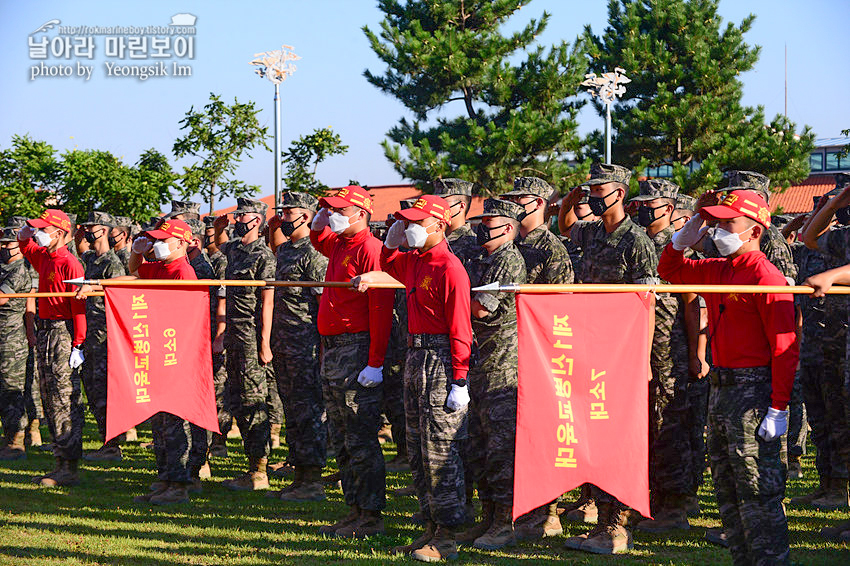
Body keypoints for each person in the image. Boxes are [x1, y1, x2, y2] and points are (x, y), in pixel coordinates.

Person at [659, 189, 798, 565]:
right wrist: (686, 234)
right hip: (721, 389)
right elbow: (670, 271)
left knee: (758, 490)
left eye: (727, 223)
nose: (717, 230)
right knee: (728, 488)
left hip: (753, 392)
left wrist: (779, 408)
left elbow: (785, 348)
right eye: (715, 222)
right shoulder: (720, 269)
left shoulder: (764, 277)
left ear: (754, 231)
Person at [356, 194, 473, 561]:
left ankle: (448, 537)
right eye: (406, 222)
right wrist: (392, 239)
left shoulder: (448, 267)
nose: (409, 228)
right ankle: (429, 528)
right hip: (416, 355)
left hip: (440, 359)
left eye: (416, 223)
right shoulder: (418, 261)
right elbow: (390, 264)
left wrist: (459, 379)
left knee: (442, 451)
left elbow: (460, 327)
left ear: (439, 224)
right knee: (419, 451)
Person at [559, 163, 658, 555]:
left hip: (621, 349)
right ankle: (600, 523)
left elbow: (646, 305)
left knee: (615, 437)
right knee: (593, 434)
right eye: (591, 192)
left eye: (600, 192)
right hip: (591, 344)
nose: (594, 198)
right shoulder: (592, 231)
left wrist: (643, 358)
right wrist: (572, 196)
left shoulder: (637, 241)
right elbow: (566, 223)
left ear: (620, 193)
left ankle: (616, 528)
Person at [310, 185, 395, 538]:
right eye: (330, 210)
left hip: (356, 348)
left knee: (360, 437)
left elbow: (381, 310)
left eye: (339, 210)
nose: (332, 216)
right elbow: (318, 239)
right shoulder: (341, 243)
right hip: (333, 348)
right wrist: (318, 216)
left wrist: (375, 361)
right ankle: (354, 509)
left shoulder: (370, 249)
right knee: (342, 437)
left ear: (360, 213)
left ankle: (371, 515)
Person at [501, 176, 573, 540]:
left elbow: (558, 309)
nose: (515, 203)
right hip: (506, 350)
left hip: (538, 353)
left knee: (539, 435)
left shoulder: (551, 249)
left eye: (522, 199)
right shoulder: (512, 244)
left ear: (541, 203)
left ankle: (545, 515)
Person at [456, 198, 527, 551]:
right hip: (481, 364)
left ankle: (505, 522)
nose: (483, 227)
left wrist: (451, 299)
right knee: (479, 445)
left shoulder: (507, 260)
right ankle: (487, 517)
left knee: (501, 448)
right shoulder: (483, 258)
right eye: (481, 222)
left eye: (491, 222)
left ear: (510, 228)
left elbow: (482, 309)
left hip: (503, 366)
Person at [124, 218, 199, 504]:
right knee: (162, 422)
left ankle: (179, 485)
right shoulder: (161, 267)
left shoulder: (183, 271)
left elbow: (185, 318)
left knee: (175, 421)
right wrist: (137, 251)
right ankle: (166, 478)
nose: (157, 244)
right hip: (160, 351)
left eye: (163, 240)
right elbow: (135, 270)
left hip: (176, 354)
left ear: (181, 243)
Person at [265, 192, 329, 502]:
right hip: (285, 343)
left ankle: (313, 479)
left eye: (288, 214)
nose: (282, 220)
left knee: (309, 411)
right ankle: (299, 473)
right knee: (292, 410)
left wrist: (321, 348)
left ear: (305, 216)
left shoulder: (314, 253)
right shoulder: (285, 251)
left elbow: (322, 302)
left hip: (306, 345)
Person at [17, 209, 87, 487]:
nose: (38, 234)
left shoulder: (71, 263)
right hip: (45, 329)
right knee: (48, 395)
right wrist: (24, 236)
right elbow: (28, 248)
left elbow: (79, 308)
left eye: (44, 230)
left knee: (63, 398)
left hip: (63, 330)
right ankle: (59, 460)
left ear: (59, 233)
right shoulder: (46, 257)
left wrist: (78, 343)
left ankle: (69, 466)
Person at [213, 198, 276, 491]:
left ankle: (259, 472)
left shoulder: (263, 256)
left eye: (244, 216)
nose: (238, 220)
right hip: (234, 334)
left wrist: (264, 342)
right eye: (237, 216)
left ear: (258, 220)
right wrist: (219, 225)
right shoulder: (234, 250)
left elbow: (268, 302)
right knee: (237, 398)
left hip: (252, 334)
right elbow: (217, 242)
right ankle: (250, 468)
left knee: (254, 401)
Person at [76, 212, 127, 462]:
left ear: (105, 230)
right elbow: (79, 247)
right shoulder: (89, 258)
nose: (87, 232)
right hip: (90, 331)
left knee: (104, 388)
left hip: (105, 332)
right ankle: (106, 441)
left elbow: (118, 289)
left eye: (92, 228)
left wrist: (93, 287)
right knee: (93, 388)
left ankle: (112, 445)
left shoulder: (112, 263)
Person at [0, 226, 34, 460]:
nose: (2, 247)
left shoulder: (20, 270)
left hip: (11, 339)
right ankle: (8, 436)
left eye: (7, 243)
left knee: (12, 388)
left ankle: (17, 440)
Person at [433, 178, 478, 266]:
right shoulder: (433, 238)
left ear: (461, 206)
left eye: (443, 203)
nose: (438, 207)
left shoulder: (473, 245)